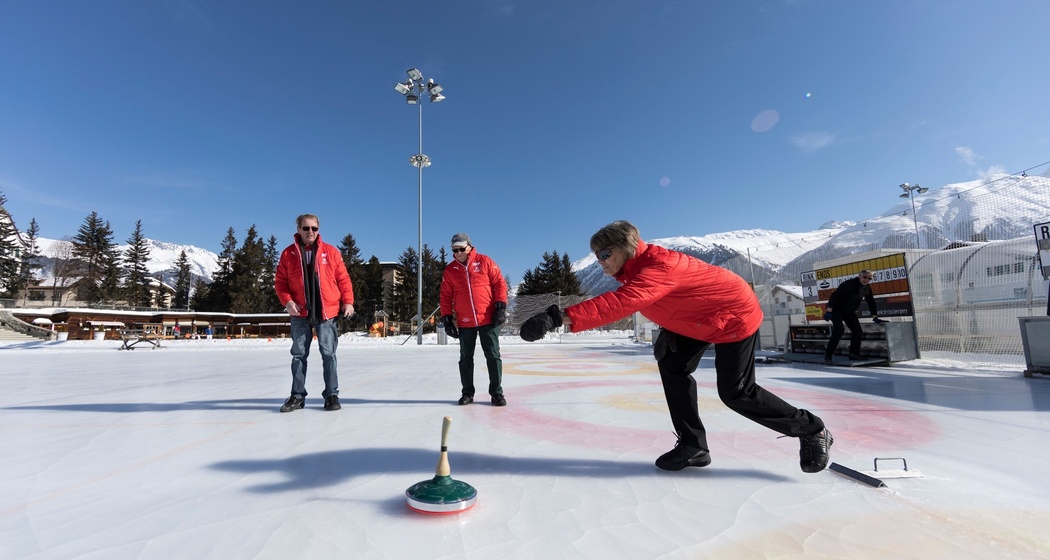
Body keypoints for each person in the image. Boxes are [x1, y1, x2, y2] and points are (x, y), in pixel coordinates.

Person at [519, 220, 833, 473]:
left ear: (627, 249)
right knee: (671, 361)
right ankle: (693, 446)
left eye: (604, 254)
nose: (600, 262)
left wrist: (558, 317)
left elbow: (624, 302)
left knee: (737, 393)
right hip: (696, 319)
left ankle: (812, 430)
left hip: (733, 316)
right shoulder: (635, 270)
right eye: (596, 256)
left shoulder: (657, 267)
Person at [274, 213, 355, 413]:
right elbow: (281, 283)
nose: (310, 232)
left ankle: (331, 395)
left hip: (326, 313)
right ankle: (297, 397)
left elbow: (343, 279)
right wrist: (288, 301)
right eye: (306, 228)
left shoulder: (331, 252)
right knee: (298, 355)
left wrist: (348, 302)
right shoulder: (288, 254)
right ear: (298, 230)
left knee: (329, 354)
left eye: (314, 228)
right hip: (300, 313)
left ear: (318, 230)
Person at [440, 232, 509, 406]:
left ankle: (496, 393)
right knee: (465, 358)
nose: (458, 253)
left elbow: (500, 283)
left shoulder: (485, 262)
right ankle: (467, 393)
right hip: (465, 321)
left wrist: (500, 307)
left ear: (469, 246)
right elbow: (446, 296)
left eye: (461, 249)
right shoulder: (450, 270)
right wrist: (447, 318)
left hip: (488, 319)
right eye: (454, 250)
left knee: (493, 356)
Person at [822, 269, 883, 363]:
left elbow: (871, 301)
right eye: (865, 277)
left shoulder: (866, 288)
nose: (866, 280)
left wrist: (875, 316)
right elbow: (835, 295)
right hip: (837, 310)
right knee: (839, 331)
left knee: (858, 332)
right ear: (859, 276)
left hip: (849, 312)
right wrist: (829, 310)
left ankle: (853, 354)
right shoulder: (849, 284)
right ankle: (828, 355)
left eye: (869, 278)